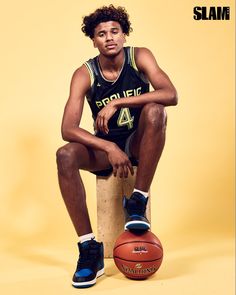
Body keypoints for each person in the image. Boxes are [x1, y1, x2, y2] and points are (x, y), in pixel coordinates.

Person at [56, 4, 178, 288]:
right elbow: (67, 129)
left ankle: (137, 200)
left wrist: (117, 102)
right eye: (101, 34)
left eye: (115, 31)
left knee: (156, 110)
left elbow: (170, 94)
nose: (109, 37)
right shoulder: (84, 73)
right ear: (94, 40)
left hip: (138, 142)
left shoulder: (140, 57)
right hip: (103, 149)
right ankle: (89, 249)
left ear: (124, 35)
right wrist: (109, 148)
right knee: (64, 156)